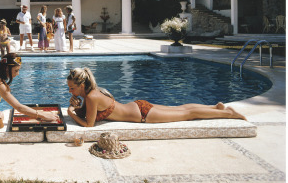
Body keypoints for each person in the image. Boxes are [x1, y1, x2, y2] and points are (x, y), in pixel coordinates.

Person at [66, 67, 247, 127]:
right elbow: (91, 114)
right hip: (138, 106)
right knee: (181, 108)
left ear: (81, 85)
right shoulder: (92, 93)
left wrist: (71, 113)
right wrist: (77, 106)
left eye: (72, 88)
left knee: (187, 114)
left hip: (143, 115)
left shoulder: (91, 97)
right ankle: (215, 107)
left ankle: (230, 113)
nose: (70, 91)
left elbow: (89, 125)